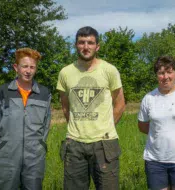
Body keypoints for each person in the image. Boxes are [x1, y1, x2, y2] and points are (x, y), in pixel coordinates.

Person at [57, 26, 125, 190]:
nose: (86, 47)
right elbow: (66, 108)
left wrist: (106, 125)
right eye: (81, 42)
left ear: (97, 46)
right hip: (74, 144)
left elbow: (120, 104)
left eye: (90, 42)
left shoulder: (109, 70)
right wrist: (78, 127)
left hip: (104, 143)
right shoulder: (65, 73)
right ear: (76, 45)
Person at [0, 48, 51, 190]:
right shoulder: (3, 91)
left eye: (32, 67)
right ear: (16, 67)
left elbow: (46, 125)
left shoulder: (44, 93)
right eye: (24, 66)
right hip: (7, 156)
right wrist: (4, 146)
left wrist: (39, 146)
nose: (28, 71)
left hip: (34, 158)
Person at [138, 56, 175, 190]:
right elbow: (142, 125)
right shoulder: (149, 98)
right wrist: (161, 132)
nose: (166, 77)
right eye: (161, 73)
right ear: (156, 76)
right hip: (155, 160)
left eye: (169, 72)